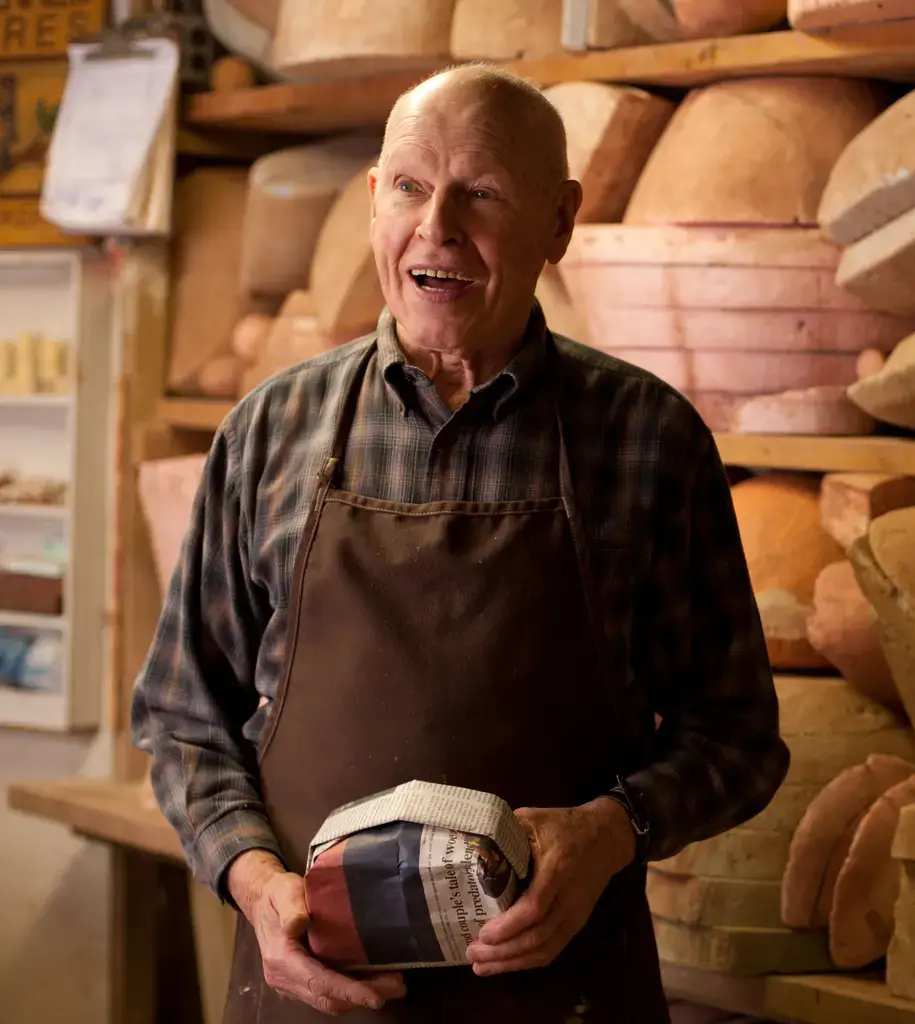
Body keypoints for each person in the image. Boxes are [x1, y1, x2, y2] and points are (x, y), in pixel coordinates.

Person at [131, 62, 788, 1023]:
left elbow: (737, 738)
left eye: (480, 192)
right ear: (373, 200)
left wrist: (611, 833)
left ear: (559, 222)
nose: (435, 226)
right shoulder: (269, 432)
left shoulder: (648, 440)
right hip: (313, 1001)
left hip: (563, 997)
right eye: (408, 186)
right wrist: (252, 882)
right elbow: (183, 718)